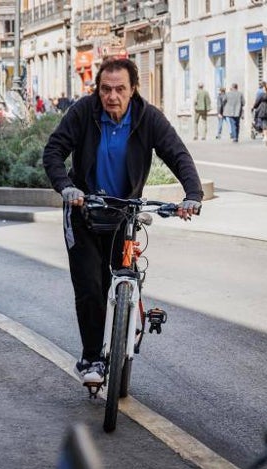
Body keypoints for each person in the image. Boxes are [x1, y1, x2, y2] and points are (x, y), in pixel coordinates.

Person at [42, 58, 203, 385]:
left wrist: (192, 195)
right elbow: (53, 153)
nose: (112, 96)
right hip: (83, 209)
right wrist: (67, 187)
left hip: (123, 213)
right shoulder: (83, 112)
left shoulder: (148, 118)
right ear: (97, 89)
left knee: (122, 276)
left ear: (133, 90)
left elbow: (177, 154)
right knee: (90, 286)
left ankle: (122, 332)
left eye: (119, 89)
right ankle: (90, 358)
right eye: (105, 89)